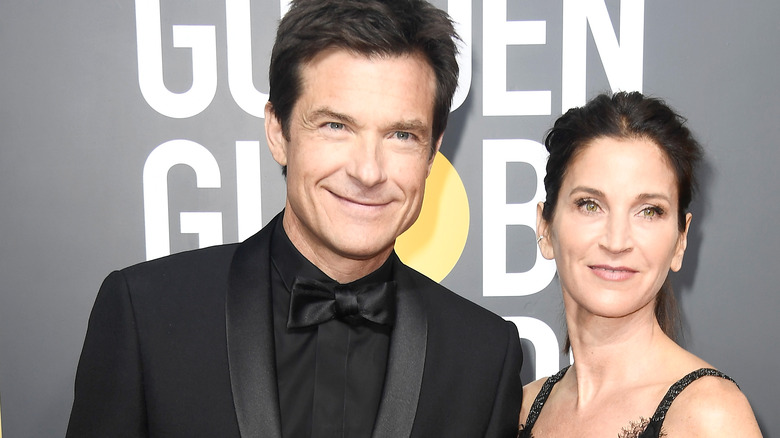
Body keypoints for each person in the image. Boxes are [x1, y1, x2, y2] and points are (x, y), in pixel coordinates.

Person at [66, 0, 523, 437]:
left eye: (402, 134)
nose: (368, 171)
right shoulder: (146, 314)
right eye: (335, 126)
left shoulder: (484, 355)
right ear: (278, 132)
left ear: (432, 152)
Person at [518, 92, 762, 437]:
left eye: (649, 211)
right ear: (545, 227)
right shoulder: (522, 409)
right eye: (590, 205)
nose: (616, 242)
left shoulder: (710, 416)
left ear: (681, 240)